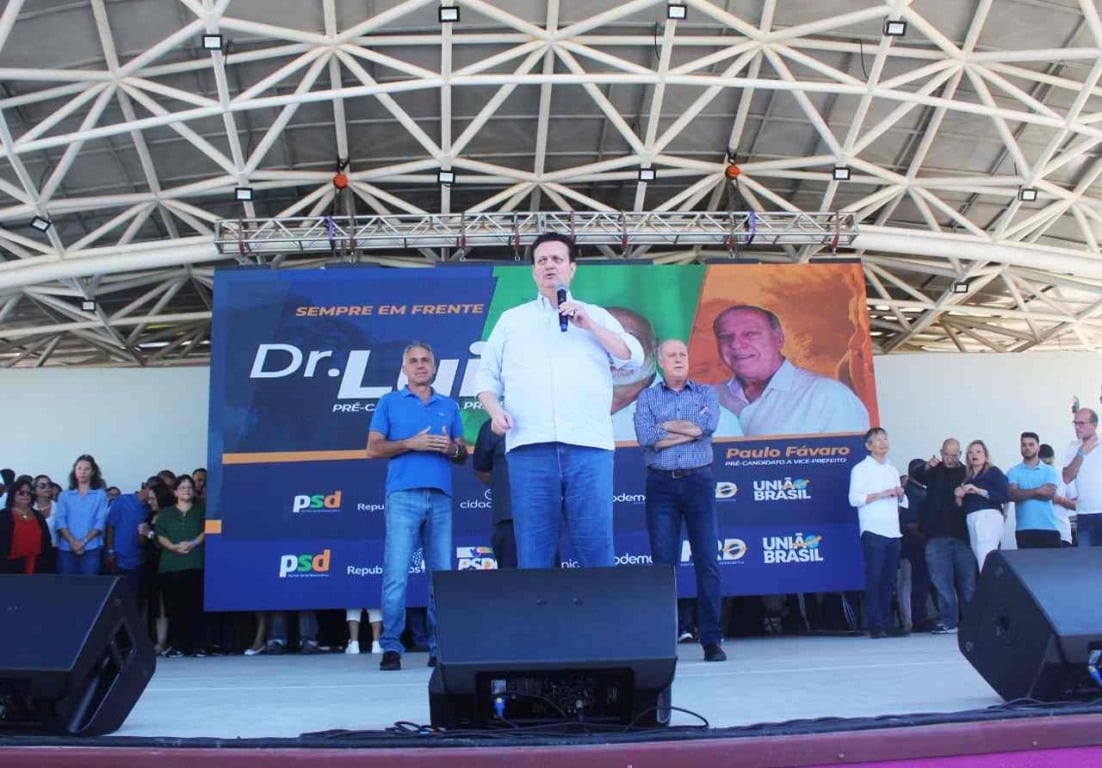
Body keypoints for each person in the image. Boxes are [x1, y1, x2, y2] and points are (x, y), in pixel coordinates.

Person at [477, 232, 644, 569]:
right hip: (529, 446)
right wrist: (495, 411)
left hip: (588, 445)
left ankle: (600, 621)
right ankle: (540, 622)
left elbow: (633, 357)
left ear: (572, 268)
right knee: (534, 551)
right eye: (541, 261)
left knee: (596, 546)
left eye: (556, 259)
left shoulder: (595, 315)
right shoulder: (513, 320)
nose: (549, 265)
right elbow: (486, 377)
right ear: (534, 272)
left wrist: (590, 325)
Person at [367, 341, 467, 671]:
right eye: (414, 361)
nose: (420, 365)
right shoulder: (389, 402)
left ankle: (440, 648)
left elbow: (462, 454)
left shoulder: (449, 406)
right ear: (404, 368)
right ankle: (392, 647)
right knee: (396, 574)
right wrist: (412, 443)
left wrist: (448, 449)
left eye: (426, 360)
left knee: (441, 577)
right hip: (403, 496)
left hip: (440, 496)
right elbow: (373, 449)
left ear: (435, 367)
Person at [633, 339, 725, 661]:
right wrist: (691, 430)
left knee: (708, 562)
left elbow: (709, 424)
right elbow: (647, 438)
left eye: (683, 354)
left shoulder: (706, 393)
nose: (679, 359)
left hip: (699, 481)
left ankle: (712, 640)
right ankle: (663, 641)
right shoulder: (647, 396)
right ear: (660, 362)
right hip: (661, 486)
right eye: (672, 355)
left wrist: (665, 428)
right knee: (664, 566)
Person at [711, 305, 869, 437]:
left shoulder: (829, 396)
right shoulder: (706, 398)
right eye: (725, 336)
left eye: (750, 334)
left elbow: (851, 463)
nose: (736, 345)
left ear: (779, 339)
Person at [848, 428, 908, 639]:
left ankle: (887, 622)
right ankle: (875, 625)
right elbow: (854, 499)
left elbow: (902, 502)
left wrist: (900, 493)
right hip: (873, 530)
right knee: (874, 577)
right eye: (878, 440)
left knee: (890, 579)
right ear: (868, 445)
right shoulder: (861, 469)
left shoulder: (892, 469)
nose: (883, 443)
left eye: (885, 438)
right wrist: (882, 494)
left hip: (893, 531)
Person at [915, 439, 972, 634]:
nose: (950, 458)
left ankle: (971, 622)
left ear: (960, 453)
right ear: (941, 452)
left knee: (968, 584)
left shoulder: (967, 473)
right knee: (941, 582)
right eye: (947, 454)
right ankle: (948, 621)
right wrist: (926, 465)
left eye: (954, 455)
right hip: (935, 536)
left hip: (963, 536)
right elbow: (917, 475)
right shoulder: (933, 471)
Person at [155, 473, 207, 658]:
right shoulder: (166, 513)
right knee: (175, 608)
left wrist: (193, 543)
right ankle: (178, 645)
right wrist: (173, 547)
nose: (187, 490)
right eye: (183, 487)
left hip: (195, 562)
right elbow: (159, 533)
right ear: (175, 492)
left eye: (190, 487)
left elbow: (206, 529)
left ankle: (198, 646)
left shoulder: (201, 510)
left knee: (196, 606)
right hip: (171, 564)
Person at [607, 307, 660, 442]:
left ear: (655, 346)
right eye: (605, 339)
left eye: (632, 339)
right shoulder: (559, 398)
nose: (616, 352)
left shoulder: (692, 403)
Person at [956, 440, 1010, 570]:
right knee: (979, 555)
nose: (974, 455)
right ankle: (989, 587)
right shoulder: (966, 477)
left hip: (987, 516)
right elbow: (961, 507)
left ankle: (991, 588)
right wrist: (958, 495)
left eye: (978, 451)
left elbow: (1005, 496)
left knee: (985, 555)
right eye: (970, 452)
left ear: (985, 455)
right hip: (971, 517)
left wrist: (979, 491)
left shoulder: (993, 472)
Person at [473, 418, 517, 569]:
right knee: (511, 582)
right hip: (508, 518)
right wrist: (505, 486)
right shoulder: (493, 425)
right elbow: (481, 469)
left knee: (548, 583)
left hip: (544, 518)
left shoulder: (548, 424)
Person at [54, 454, 109, 575]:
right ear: (74, 471)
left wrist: (83, 541)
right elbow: (60, 520)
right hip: (67, 547)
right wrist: (72, 541)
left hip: (91, 547)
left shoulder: (100, 495)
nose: (82, 472)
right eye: (79, 468)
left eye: (86, 469)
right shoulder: (65, 495)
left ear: (93, 472)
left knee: (88, 586)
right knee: (66, 584)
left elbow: (100, 522)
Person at [1007, 432, 1062, 549]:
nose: (1027, 448)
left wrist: (1023, 493)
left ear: (1038, 446)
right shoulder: (1014, 471)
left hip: (1049, 528)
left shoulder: (1049, 471)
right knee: (1027, 567)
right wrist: (1038, 490)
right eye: (1024, 445)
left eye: (1031, 444)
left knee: (1052, 567)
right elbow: (1013, 495)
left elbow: (1049, 494)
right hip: (1024, 529)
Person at [900, 459, 932, 632]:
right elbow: (910, 523)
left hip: (919, 544)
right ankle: (915, 620)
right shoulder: (910, 492)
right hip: (912, 544)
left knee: (923, 581)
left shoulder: (920, 489)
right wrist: (925, 538)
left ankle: (921, 616)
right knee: (914, 582)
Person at [104, 484, 152, 597]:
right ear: (147, 488)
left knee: (133, 595)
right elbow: (110, 526)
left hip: (137, 560)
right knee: (115, 595)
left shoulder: (150, 508)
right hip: (117, 557)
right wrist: (110, 550)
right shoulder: (123, 500)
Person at [1063, 408, 1101, 547]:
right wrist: (1081, 453)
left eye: (1081, 423)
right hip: (1085, 514)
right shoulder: (1073, 446)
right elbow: (1066, 477)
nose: (1077, 427)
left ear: (1094, 425)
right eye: (1075, 423)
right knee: (1087, 562)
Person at [1, 476, 54, 574]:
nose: (25, 495)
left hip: (37, 566)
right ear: (13, 495)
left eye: (29, 493)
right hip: (9, 568)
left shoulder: (38, 516)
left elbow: (46, 541)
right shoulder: (4, 516)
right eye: (21, 493)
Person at [1039, 443, 1076, 546]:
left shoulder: (1062, 474)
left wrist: (1059, 499)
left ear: (1053, 458)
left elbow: (1078, 504)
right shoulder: (1029, 475)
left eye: (1049, 463)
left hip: (1061, 532)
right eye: (1043, 465)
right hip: (1036, 533)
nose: (1047, 468)